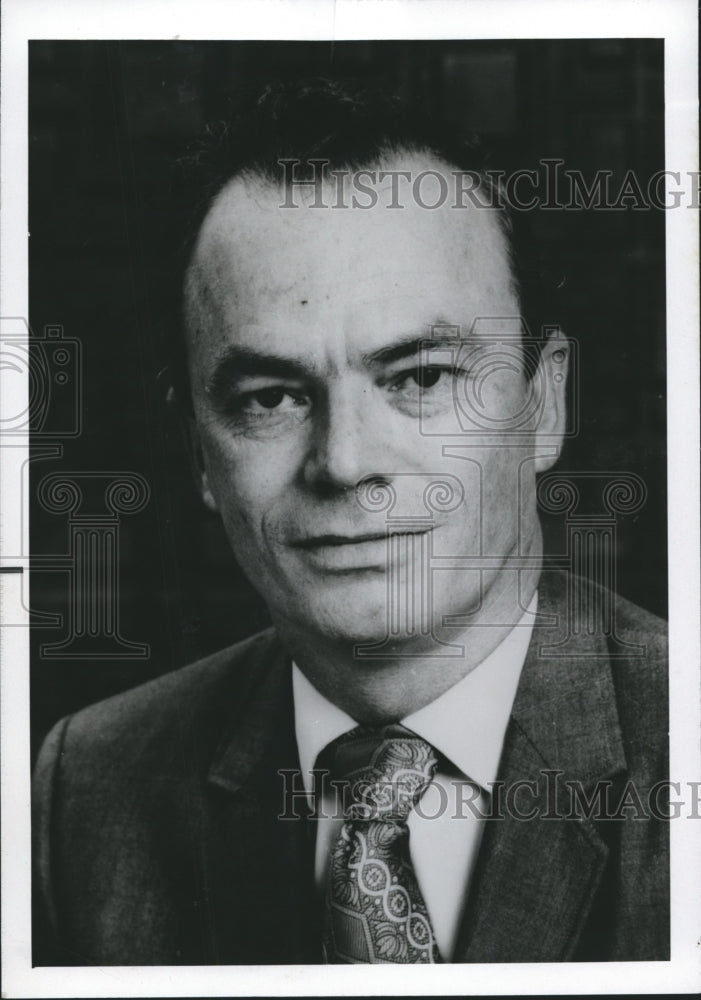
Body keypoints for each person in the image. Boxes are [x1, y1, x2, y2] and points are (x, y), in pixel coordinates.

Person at [32, 79, 668, 965]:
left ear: (543, 403)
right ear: (197, 455)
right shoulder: (86, 788)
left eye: (417, 377)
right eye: (271, 397)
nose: (343, 462)